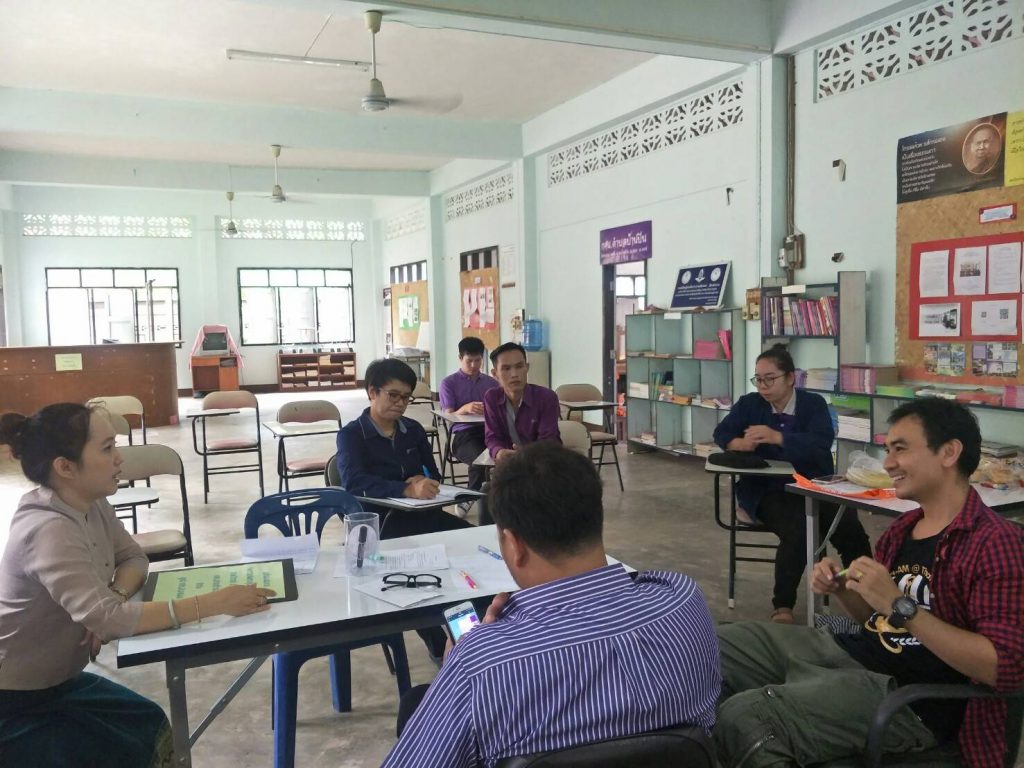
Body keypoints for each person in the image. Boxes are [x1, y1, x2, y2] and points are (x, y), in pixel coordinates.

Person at [715, 398, 1024, 767]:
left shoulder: (996, 543)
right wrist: (844, 590)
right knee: (711, 646)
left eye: (900, 449)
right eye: (887, 450)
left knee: (748, 717)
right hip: (852, 653)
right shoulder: (903, 530)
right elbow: (877, 621)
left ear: (948, 452)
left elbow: (1003, 667)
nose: (888, 463)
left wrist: (899, 606)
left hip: (913, 699)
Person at [381, 442, 721, 768]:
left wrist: (471, 653)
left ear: (513, 545)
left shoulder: (480, 664)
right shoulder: (683, 599)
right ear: (596, 518)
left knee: (417, 703)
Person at [0, 403, 276, 768]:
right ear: (65, 467)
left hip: (58, 684)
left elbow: (134, 559)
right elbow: (110, 621)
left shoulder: (89, 503)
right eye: (107, 448)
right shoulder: (49, 529)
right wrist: (214, 602)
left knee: (147, 726)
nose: (119, 458)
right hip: (15, 701)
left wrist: (112, 598)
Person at [713, 345, 871, 623]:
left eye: (769, 379)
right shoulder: (750, 404)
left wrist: (779, 438)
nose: (763, 386)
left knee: (850, 530)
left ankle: (867, 594)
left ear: (790, 378)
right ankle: (783, 605)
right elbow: (722, 433)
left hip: (815, 485)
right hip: (767, 489)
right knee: (798, 530)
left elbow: (821, 442)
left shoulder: (813, 404)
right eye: (758, 379)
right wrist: (739, 443)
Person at [336, 357, 473, 540]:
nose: (401, 403)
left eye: (406, 397)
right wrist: (406, 489)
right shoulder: (351, 435)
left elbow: (433, 473)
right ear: (372, 392)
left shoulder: (413, 429)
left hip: (423, 514)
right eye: (393, 395)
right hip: (380, 522)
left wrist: (425, 480)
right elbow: (354, 483)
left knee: (476, 536)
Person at [483, 341, 561, 462]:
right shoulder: (492, 397)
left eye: (519, 366)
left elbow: (548, 439)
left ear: (527, 367)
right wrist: (498, 452)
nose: (514, 374)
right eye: (506, 368)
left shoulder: (546, 397)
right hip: (509, 462)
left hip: (543, 462)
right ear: (495, 374)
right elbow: (492, 436)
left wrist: (526, 454)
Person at [439, 336, 499, 491]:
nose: (473, 365)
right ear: (460, 358)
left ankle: (498, 496)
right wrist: (464, 409)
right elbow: (449, 416)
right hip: (463, 435)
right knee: (479, 461)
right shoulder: (448, 383)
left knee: (510, 457)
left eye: (478, 360)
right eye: (469, 361)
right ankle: (472, 496)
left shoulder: (491, 383)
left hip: (489, 431)